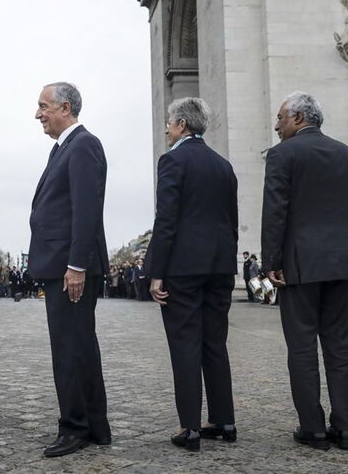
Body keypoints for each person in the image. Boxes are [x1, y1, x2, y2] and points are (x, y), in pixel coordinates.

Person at [262, 91, 348, 451]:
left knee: (302, 348)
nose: (276, 125)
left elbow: (275, 211)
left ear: (297, 118)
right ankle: (346, 428)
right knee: (341, 348)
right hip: (345, 265)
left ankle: (313, 427)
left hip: (300, 265)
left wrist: (271, 262)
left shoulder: (282, 154)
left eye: (280, 118)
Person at [145, 97, 238, 452]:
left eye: (169, 122)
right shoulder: (224, 165)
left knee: (185, 344)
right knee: (215, 343)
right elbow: (230, 221)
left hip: (183, 268)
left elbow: (166, 219)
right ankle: (224, 420)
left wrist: (157, 271)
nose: (166, 128)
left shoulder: (172, 160)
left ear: (182, 124)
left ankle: (191, 428)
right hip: (219, 266)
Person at [28, 82, 110, 457]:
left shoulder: (83, 145)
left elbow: (87, 210)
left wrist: (76, 265)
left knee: (69, 349)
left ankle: (74, 426)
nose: (38, 114)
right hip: (63, 265)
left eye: (43, 106)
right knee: (79, 347)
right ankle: (95, 426)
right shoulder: (65, 148)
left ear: (64, 107)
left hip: (70, 268)